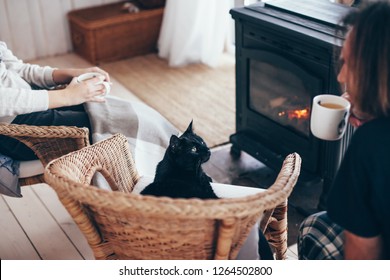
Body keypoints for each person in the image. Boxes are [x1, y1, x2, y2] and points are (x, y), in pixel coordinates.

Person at [298, 0, 390, 260]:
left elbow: (363, 258)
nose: (341, 77)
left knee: (313, 227)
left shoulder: (371, 143)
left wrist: (368, 137)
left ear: (377, 72)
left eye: (351, 64)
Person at [0, 40, 110, 160]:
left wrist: (74, 73)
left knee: (107, 111)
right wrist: (67, 96)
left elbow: (19, 69)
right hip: (11, 129)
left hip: (32, 100)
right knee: (105, 125)